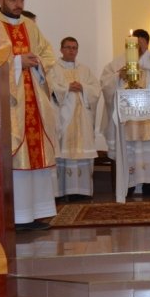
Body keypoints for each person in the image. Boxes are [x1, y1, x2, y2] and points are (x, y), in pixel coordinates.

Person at [0, 0, 59, 231]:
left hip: (34, 102)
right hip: (10, 104)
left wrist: (37, 62)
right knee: (17, 159)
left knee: (37, 157)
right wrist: (17, 62)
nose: (18, 4)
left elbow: (48, 55)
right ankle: (18, 216)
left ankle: (38, 212)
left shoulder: (30, 26)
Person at [99, 29, 150, 197]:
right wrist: (119, 76)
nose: (137, 47)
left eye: (141, 44)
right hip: (128, 118)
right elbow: (105, 83)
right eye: (134, 44)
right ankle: (128, 184)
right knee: (129, 149)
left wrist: (144, 64)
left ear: (147, 43)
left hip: (149, 115)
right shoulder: (119, 62)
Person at [49, 36, 102, 202]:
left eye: (74, 48)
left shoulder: (84, 70)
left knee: (82, 150)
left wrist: (83, 87)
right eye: (68, 47)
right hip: (63, 117)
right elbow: (49, 87)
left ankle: (81, 191)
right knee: (63, 150)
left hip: (82, 120)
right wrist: (67, 88)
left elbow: (96, 89)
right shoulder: (53, 69)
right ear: (61, 49)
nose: (71, 51)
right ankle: (63, 191)